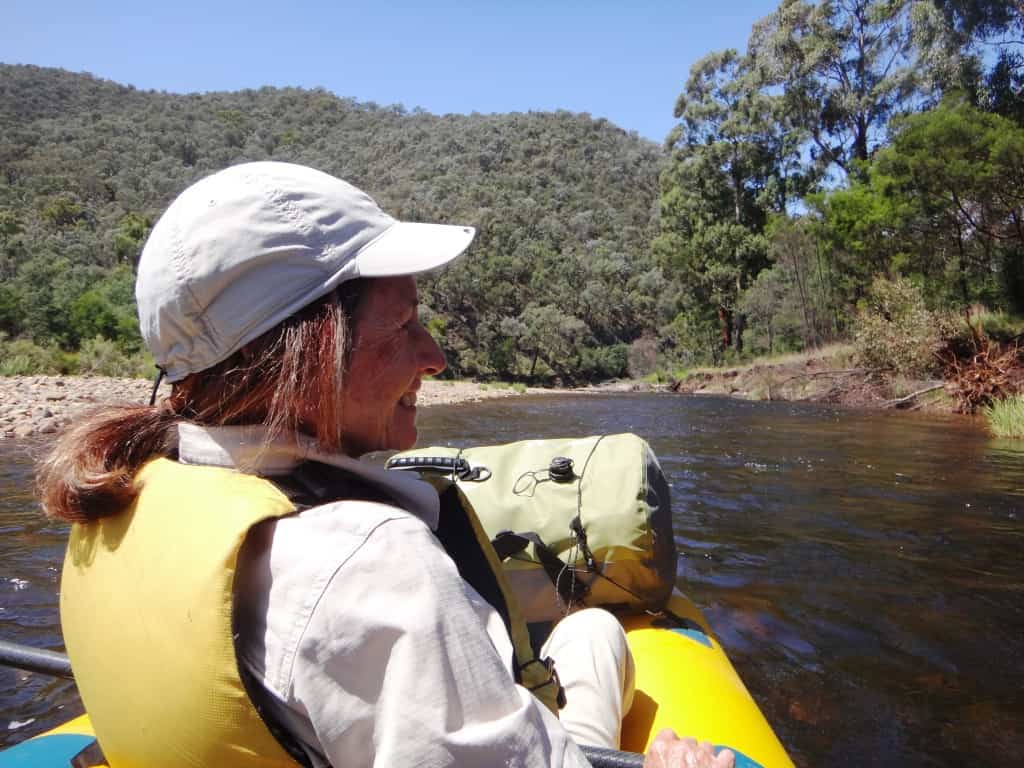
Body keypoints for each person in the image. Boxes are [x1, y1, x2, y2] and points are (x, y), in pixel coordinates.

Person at [39, 162, 734, 768]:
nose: (435, 357)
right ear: (311, 352)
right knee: (597, 632)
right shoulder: (371, 564)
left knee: (586, 627)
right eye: (403, 327)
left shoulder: (117, 493)